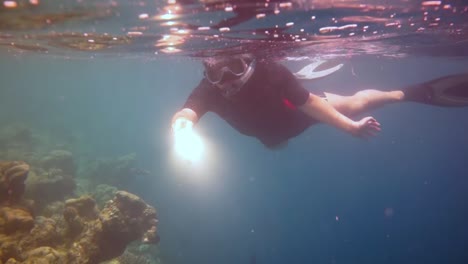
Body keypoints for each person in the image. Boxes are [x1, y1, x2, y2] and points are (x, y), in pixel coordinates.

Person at [171, 54, 468, 149]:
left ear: (248, 63)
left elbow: (309, 103)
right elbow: (186, 113)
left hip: (294, 114)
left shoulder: (271, 73)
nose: (225, 80)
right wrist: (181, 131)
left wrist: (350, 128)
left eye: (234, 67)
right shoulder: (209, 90)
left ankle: (407, 93)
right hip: (269, 134)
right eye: (213, 71)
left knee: (353, 104)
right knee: (274, 142)